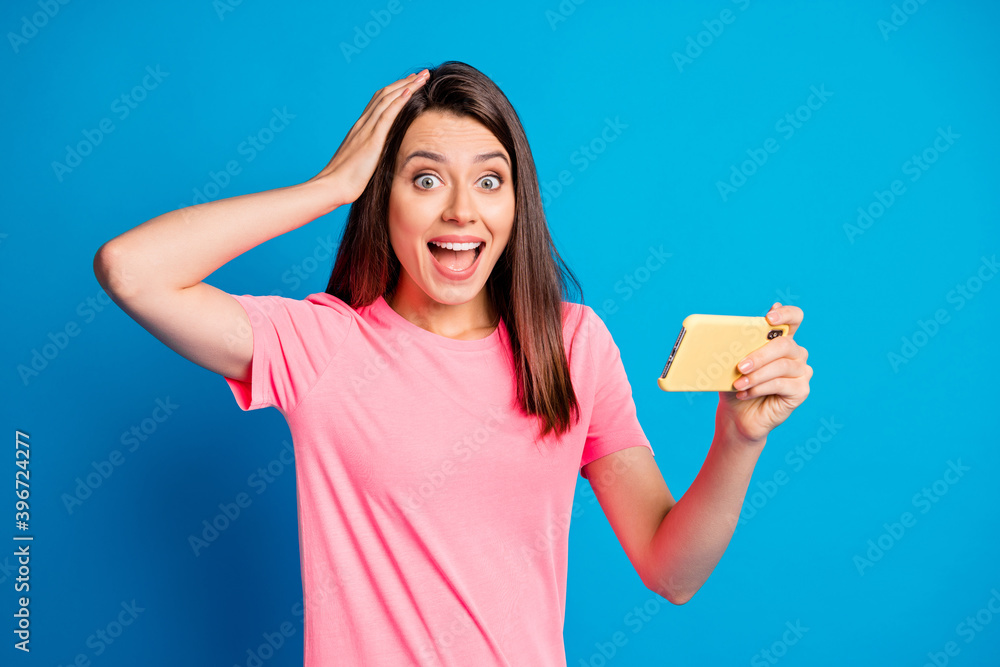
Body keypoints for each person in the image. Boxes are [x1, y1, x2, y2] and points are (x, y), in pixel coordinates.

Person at [93, 60, 812, 666]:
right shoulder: (323, 345)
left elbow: (671, 568)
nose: (462, 211)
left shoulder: (571, 345)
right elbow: (131, 270)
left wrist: (738, 440)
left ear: (516, 201)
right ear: (385, 198)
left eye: (489, 181)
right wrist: (331, 187)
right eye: (426, 179)